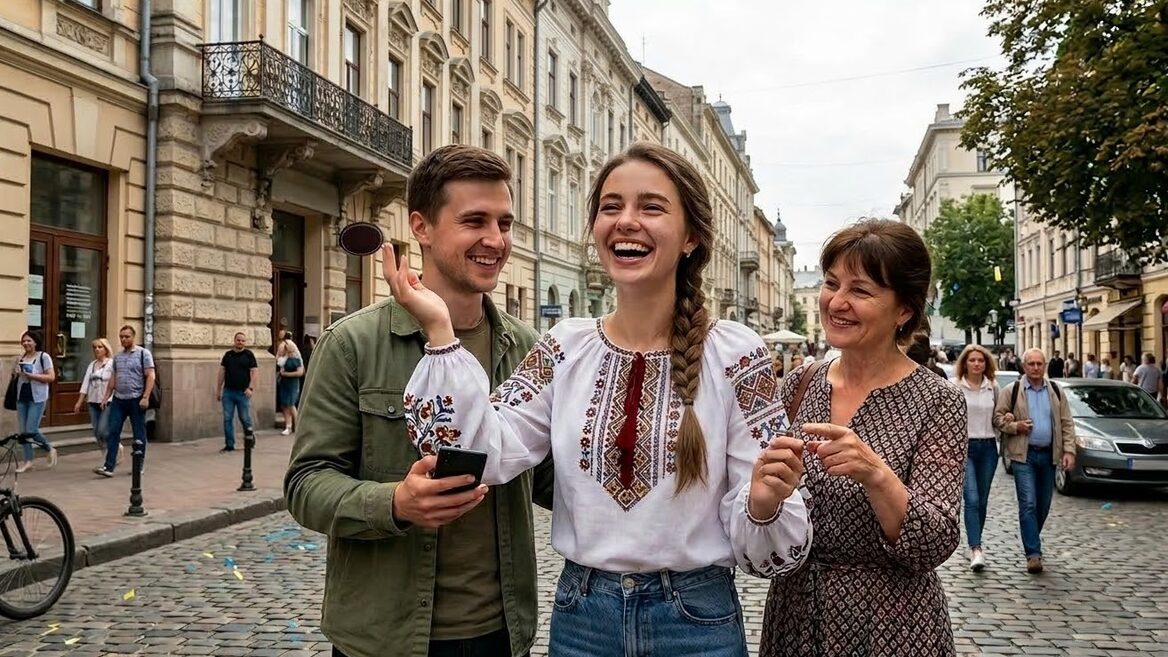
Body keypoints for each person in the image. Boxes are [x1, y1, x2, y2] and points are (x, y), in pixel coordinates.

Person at [388, 143, 812, 657]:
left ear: (691, 237)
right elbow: (480, 452)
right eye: (611, 207)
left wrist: (765, 503)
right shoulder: (564, 347)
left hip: (695, 620)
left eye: (651, 207)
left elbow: (767, 535)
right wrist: (439, 329)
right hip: (583, 618)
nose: (626, 221)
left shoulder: (735, 354)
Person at [285, 145, 556, 657]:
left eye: (505, 222)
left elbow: (550, 480)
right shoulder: (353, 344)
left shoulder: (528, 350)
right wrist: (395, 503)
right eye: (474, 221)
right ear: (422, 227)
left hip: (499, 633)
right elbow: (306, 484)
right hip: (383, 637)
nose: (495, 240)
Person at [758, 220, 967, 657]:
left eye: (861, 291)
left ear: (904, 309)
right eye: (832, 284)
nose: (837, 302)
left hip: (893, 624)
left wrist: (877, 475)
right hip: (796, 619)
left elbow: (935, 540)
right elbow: (765, 523)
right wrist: (764, 498)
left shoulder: (938, 400)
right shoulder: (797, 385)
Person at [993, 348, 1075, 574]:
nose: (1036, 368)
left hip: (1049, 455)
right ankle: (1033, 553)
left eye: (1040, 364)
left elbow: (1067, 423)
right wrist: (1015, 426)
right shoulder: (1013, 390)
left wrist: (1069, 451)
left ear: (1045, 365)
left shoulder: (1056, 391)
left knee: (1043, 505)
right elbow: (998, 418)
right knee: (1028, 503)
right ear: (1024, 366)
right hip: (1023, 456)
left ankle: (1031, 538)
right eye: (1031, 364)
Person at [954, 345, 1000, 572]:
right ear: (965, 363)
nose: (976, 364)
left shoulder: (992, 388)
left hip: (989, 448)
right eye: (972, 360)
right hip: (965, 449)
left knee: (981, 500)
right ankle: (976, 549)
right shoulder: (956, 388)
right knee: (971, 499)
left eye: (980, 360)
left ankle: (975, 539)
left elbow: (999, 416)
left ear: (986, 364)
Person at [96, 325, 155, 477]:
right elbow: (113, 378)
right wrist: (106, 396)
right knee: (113, 432)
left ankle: (138, 465)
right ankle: (109, 467)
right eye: (121, 336)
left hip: (136, 399)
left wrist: (146, 397)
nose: (123, 339)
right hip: (118, 400)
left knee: (138, 433)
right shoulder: (118, 357)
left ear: (133, 337)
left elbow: (151, 375)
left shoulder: (143, 354)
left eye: (127, 337)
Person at [11, 331, 57, 473]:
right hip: (21, 397)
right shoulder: (21, 357)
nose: (26, 343)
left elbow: (51, 377)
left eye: (29, 341)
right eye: (24, 341)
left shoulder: (43, 356)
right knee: (23, 432)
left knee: (31, 430)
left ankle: (49, 449)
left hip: (37, 397)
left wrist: (32, 375)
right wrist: (17, 373)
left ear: (35, 342)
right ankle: (28, 461)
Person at [74, 338, 120, 464]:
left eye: (100, 347)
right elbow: (85, 384)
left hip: (108, 401)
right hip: (93, 401)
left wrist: (110, 397)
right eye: (95, 347)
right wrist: (79, 401)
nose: (97, 350)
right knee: (96, 431)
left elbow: (114, 382)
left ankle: (115, 447)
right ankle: (107, 455)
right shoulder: (92, 365)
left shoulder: (111, 363)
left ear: (106, 349)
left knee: (102, 430)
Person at [217, 331, 257, 452]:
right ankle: (229, 444)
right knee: (227, 418)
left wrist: (251, 388)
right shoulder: (228, 355)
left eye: (243, 340)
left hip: (242, 393)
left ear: (245, 342)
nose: (240, 342)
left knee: (244, 418)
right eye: (238, 340)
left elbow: (254, 372)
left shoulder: (249, 355)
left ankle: (250, 439)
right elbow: (221, 372)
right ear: (234, 341)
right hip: (228, 392)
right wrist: (218, 389)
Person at [275, 333, 304, 435]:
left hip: (292, 383)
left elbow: (300, 372)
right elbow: (278, 361)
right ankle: (288, 426)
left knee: (291, 404)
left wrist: (287, 374)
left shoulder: (295, 360)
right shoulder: (284, 359)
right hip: (284, 383)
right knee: (284, 405)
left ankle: (297, 425)